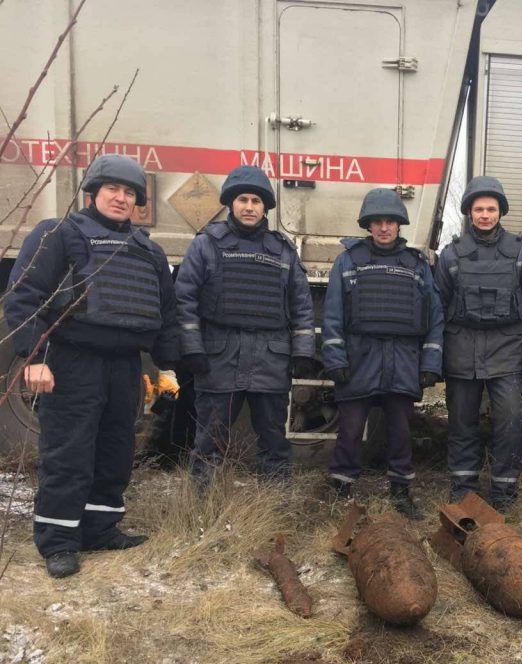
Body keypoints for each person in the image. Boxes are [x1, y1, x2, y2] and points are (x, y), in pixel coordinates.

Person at [4, 154, 179, 578]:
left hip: (125, 366)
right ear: (92, 193)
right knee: (68, 451)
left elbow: (166, 314)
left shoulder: (148, 251)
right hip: (73, 361)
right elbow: (24, 298)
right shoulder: (59, 234)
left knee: (116, 449)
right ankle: (59, 540)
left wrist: (172, 367)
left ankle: (100, 528)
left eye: (130, 193)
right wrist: (34, 357)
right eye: (113, 190)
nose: (121, 198)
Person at [175, 165, 315, 485]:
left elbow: (302, 305)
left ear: (264, 206)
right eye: (243, 200)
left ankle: (275, 506)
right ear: (231, 204)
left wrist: (303, 351)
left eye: (256, 200)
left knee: (274, 442)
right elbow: (184, 300)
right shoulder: (206, 245)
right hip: (219, 358)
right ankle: (203, 507)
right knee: (209, 441)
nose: (249, 206)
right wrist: (192, 349)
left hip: (270, 360)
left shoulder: (283, 251)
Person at [321, 188, 444, 520]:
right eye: (377, 222)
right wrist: (336, 359)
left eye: (390, 221)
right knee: (350, 430)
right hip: (360, 359)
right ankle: (341, 490)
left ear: (400, 225)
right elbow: (332, 315)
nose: (384, 228)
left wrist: (430, 362)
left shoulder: (417, 265)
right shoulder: (348, 261)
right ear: (368, 225)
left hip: (402, 359)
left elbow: (435, 317)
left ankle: (401, 493)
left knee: (401, 432)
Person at [435, 176, 522, 511]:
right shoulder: (451, 255)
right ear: (469, 212)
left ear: (500, 212)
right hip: (461, 350)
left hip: (507, 351)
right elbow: (437, 307)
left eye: (491, 209)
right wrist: (435, 356)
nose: (485, 215)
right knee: (461, 423)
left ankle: (504, 491)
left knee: (509, 422)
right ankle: (464, 489)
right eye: (479, 209)